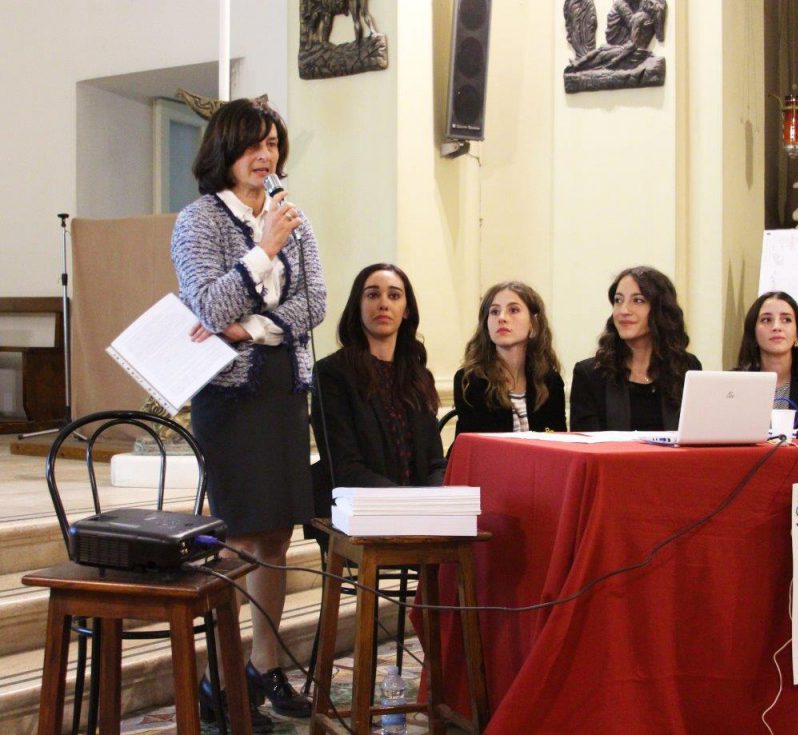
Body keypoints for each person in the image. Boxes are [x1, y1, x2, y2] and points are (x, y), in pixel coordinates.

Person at [171, 98, 324, 729]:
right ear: (225, 152)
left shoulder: (295, 218)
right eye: (253, 145)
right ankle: (221, 679)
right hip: (230, 399)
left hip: (284, 390)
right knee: (236, 538)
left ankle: (264, 669)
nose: (266, 157)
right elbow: (209, 304)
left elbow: (313, 302)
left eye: (273, 144)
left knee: (278, 537)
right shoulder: (198, 221)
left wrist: (254, 329)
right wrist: (261, 250)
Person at [311, 263, 446, 498]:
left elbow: (435, 463)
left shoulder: (419, 377)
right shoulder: (331, 373)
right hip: (362, 511)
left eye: (394, 295)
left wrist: (433, 499)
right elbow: (344, 467)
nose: (383, 303)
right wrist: (406, 502)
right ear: (358, 306)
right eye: (373, 295)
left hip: (420, 511)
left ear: (406, 310)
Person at [570, 266, 701, 431]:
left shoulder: (686, 367)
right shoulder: (590, 374)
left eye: (638, 300)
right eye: (618, 300)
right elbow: (586, 448)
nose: (623, 310)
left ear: (661, 310)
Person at [454, 281, 566, 436]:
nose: (502, 318)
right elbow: (477, 449)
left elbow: (558, 441)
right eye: (494, 312)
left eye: (513, 310)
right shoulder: (470, 380)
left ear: (533, 323)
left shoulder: (550, 381)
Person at [735, 291, 798, 429]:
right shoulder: (733, 385)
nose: (776, 327)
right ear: (753, 333)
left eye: (786, 320)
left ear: (797, 334)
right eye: (766, 320)